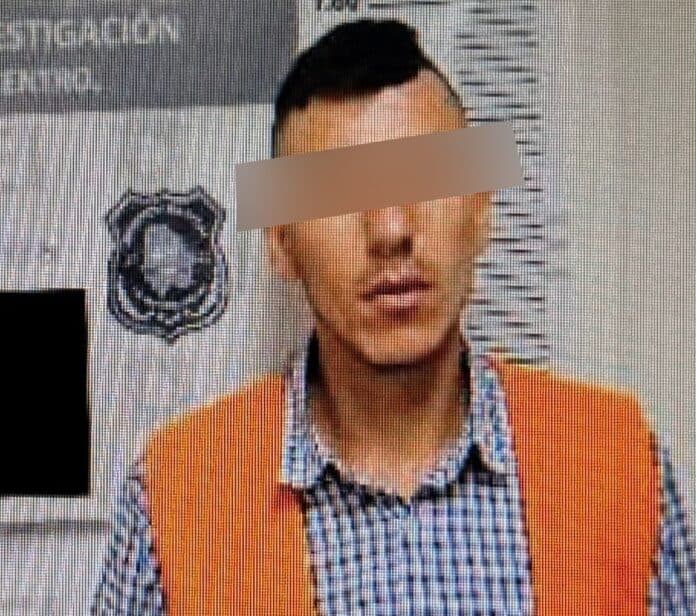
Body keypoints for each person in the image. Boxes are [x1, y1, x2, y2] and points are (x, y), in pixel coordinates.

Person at [91, 19, 696, 615]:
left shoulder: (616, 461)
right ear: (281, 242)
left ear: (481, 210)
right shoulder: (177, 497)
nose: (391, 229)